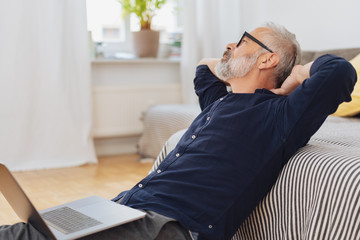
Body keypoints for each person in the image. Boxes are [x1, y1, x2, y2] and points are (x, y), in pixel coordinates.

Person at [0, 22, 356, 240]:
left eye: (243, 39)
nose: (230, 46)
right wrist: (236, 57)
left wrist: (294, 75)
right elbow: (204, 69)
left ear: (267, 60)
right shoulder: (220, 102)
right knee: (24, 233)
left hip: (166, 228)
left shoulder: (280, 116)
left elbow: (339, 73)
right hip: (125, 209)